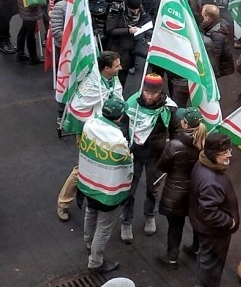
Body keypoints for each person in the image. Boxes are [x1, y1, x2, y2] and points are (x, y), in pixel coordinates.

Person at [57, 51, 124, 220]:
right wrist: (94, 125)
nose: (121, 68)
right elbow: (77, 108)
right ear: (106, 68)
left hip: (107, 133)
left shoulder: (113, 80)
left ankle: (96, 199)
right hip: (89, 133)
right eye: (117, 66)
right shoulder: (91, 85)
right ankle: (63, 203)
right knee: (82, 169)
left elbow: (118, 98)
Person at [119, 73, 177, 244]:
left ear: (160, 92)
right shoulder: (132, 103)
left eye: (153, 93)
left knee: (153, 189)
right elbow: (123, 124)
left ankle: (150, 215)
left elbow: (175, 131)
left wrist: (172, 151)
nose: (149, 97)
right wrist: (125, 143)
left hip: (156, 154)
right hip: (134, 152)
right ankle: (126, 221)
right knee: (129, 190)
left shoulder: (168, 108)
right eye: (146, 92)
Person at [79, 98, 131, 274]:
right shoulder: (117, 139)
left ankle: (88, 243)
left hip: (89, 182)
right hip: (108, 189)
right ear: (119, 117)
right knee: (104, 228)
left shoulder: (90, 125)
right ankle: (95, 262)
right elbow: (126, 161)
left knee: (90, 212)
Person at [156, 107, 206, 269]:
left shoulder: (175, 145)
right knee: (197, 222)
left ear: (185, 124)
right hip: (197, 193)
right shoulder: (205, 144)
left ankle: (172, 258)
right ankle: (196, 249)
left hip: (176, 194)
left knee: (175, 227)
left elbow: (162, 165)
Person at [190, 133, 240, 287]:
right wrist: (230, 222)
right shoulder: (211, 181)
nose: (229, 155)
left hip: (203, 227)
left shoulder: (202, 163)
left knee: (206, 260)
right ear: (213, 154)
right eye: (224, 152)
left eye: (229, 150)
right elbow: (209, 212)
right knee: (211, 267)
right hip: (215, 233)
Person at [104, 0, 151, 88]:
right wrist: (128, 31)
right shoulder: (116, 11)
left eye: (137, 10)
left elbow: (146, 20)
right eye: (133, 10)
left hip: (131, 50)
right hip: (117, 49)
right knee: (113, 78)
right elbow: (110, 30)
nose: (136, 12)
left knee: (123, 79)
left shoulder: (141, 11)